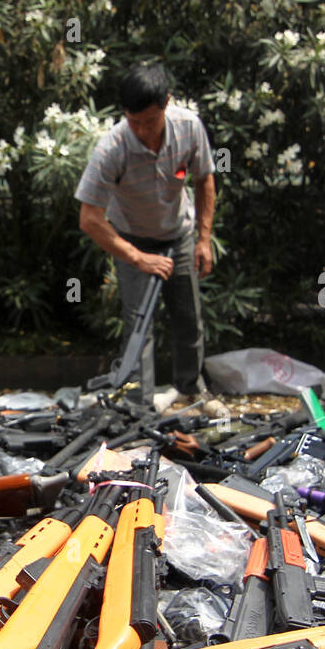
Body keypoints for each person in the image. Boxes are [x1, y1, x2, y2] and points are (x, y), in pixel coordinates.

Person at [75, 62, 216, 406]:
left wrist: (203, 238)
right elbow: (90, 219)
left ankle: (190, 389)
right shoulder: (112, 148)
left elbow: (204, 179)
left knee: (188, 318)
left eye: (148, 121)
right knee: (140, 328)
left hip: (178, 234)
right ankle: (141, 406)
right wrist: (138, 258)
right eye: (133, 121)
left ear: (166, 103)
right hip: (132, 240)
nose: (140, 130)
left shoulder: (188, 127)